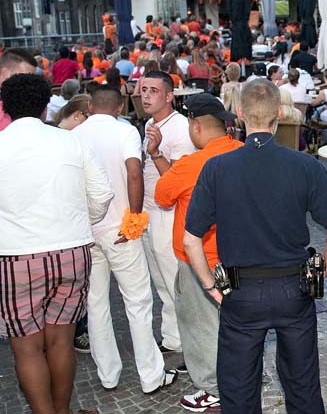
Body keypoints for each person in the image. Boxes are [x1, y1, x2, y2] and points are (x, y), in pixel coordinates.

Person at [183, 79, 327, 414]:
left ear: (240, 114)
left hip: (240, 291)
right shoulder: (304, 165)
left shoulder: (216, 167)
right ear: (278, 115)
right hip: (293, 287)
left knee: (239, 388)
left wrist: (210, 287)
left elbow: (191, 240)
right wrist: (322, 271)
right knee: (303, 385)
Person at [0, 73, 113, 414]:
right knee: (62, 341)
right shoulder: (70, 141)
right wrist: (78, 221)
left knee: (27, 349)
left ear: (4, 107)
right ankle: (62, 411)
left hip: (15, 255)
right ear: (45, 105)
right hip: (71, 250)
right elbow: (101, 193)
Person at [72, 85, 177, 394]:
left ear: (89, 106)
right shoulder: (125, 131)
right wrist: (133, 216)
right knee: (138, 303)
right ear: (119, 108)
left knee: (96, 304)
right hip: (120, 228)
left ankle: (108, 375)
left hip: (87, 231)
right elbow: (134, 172)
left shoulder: (75, 135)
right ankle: (150, 376)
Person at [154, 94, 243, 411]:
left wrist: (156, 156)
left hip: (200, 261)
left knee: (201, 326)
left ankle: (212, 389)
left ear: (195, 126)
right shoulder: (243, 153)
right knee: (236, 321)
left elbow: (163, 196)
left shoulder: (191, 165)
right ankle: (243, 376)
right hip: (239, 257)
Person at [140, 71, 197, 354]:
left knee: (175, 282)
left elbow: (177, 180)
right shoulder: (151, 123)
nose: (145, 96)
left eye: (153, 90)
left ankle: (190, 344)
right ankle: (173, 339)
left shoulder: (181, 128)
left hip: (169, 214)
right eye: (143, 90)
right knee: (162, 283)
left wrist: (154, 153)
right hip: (149, 212)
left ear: (169, 96)